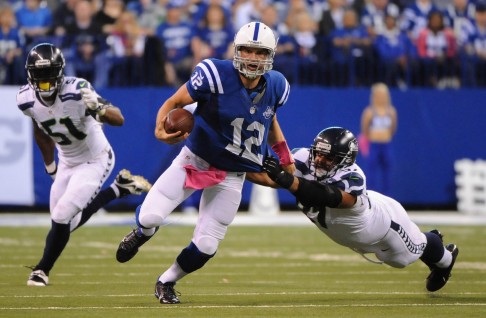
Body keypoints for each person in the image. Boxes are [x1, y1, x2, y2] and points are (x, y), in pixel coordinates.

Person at [116, 21, 295, 304]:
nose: (252, 58)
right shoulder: (215, 74)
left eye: (260, 53)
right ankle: (142, 233)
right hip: (196, 161)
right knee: (150, 217)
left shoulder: (277, 86)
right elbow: (175, 101)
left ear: (271, 55)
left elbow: (269, 118)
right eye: (247, 50)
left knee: (207, 245)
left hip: (233, 173)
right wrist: (160, 129)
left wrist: (285, 157)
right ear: (237, 50)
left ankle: (167, 281)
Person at [17, 43, 152, 286]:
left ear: (60, 73)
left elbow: (118, 119)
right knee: (68, 222)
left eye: (50, 75)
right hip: (67, 161)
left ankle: (41, 270)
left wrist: (99, 108)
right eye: (40, 76)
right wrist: (51, 166)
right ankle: (119, 189)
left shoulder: (77, 89)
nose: (45, 82)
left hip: (95, 159)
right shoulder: (25, 99)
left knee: (61, 216)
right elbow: (40, 130)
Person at [261, 126, 459, 292]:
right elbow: (269, 178)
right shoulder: (303, 159)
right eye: (318, 153)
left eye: (328, 157)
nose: (320, 160)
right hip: (356, 234)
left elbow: (328, 197)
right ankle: (425, 241)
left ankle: (444, 256)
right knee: (394, 257)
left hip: (387, 224)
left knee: (403, 259)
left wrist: (287, 179)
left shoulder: (353, 178)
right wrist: (234, 167)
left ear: (344, 161)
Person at [360, 83, 397, 195]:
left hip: (386, 145)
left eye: (383, 94)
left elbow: (393, 128)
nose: (381, 97)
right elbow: (365, 128)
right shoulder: (369, 111)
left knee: (387, 171)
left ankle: (387, 195)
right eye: (378, 94)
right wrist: (371, 138)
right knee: (371, 171)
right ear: (374, 96)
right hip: (374, 144)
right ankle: (370, 195)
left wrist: (385, 136)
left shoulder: (391, 111)